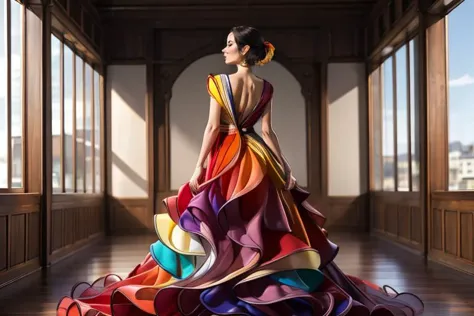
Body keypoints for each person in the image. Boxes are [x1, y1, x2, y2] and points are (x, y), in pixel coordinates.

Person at [57, 26, 424, 316]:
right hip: (258, 159)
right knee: (258, 227)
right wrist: (283, 166)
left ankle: (218, 284)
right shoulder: (266, 87)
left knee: (220, 223)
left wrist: (200, 165)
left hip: (227, 157)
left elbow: (213, 128)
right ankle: (259, 286)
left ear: (245, 50)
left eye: (230, 43)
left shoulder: (219, 83)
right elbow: (267, 132)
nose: (224, 48)